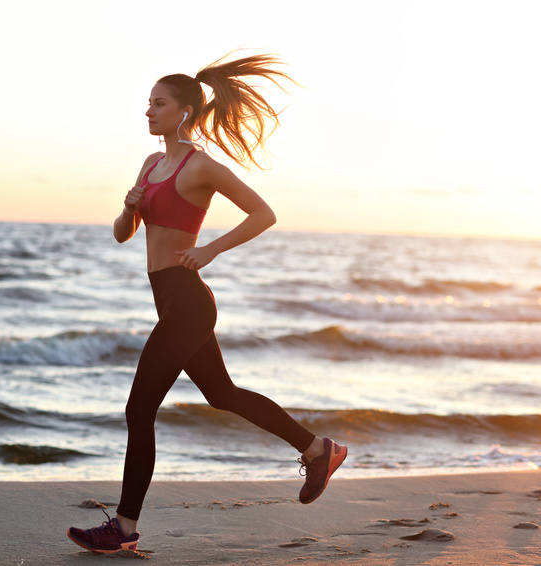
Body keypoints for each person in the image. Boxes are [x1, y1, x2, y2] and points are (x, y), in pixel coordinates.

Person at [67, 52, 347, 554]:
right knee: (222, 393)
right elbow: (121, 236)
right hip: (168, 299)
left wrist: (211, 249)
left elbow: (264, 214)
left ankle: (124, 529)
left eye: (159, 104)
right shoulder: (152, 164)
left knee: (139, 410)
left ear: (185, 112)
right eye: (147, 103)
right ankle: (317, 448)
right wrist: (128, 209)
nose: (148, 112)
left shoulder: (202, 167)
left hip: (189, 300)